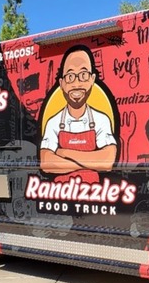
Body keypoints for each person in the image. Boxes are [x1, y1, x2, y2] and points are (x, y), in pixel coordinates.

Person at [40, 45, 116, 183]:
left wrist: (64, 153)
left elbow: (108, 161)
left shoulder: (101, 119)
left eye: (83, 75)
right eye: (70, 76)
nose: (76, 83)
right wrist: (91, 162)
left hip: (93, 194)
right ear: (62, 83)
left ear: (92, 79)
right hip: (61, 193)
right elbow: (46, 162)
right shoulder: (53, 122)